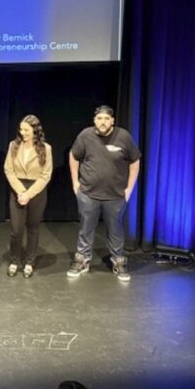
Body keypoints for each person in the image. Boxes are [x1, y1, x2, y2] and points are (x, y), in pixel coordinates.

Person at [67, 105, 141, 282]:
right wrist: (75, 183)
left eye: (106, 119)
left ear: (112, 121)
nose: (103, 122)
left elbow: (135, 161)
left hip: (115, 195)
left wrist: (130, 188)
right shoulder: (85, 135)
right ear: (94, 120)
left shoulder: (123, 136)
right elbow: (73, 156)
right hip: (88, 194)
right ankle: (82, 260)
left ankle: (118, 261)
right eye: (99, 118)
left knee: (115, 230)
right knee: (85, 229)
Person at [3, 115, 53, 278]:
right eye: (21, 129)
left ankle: (29, 262)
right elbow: (8, 170)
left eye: (26, 129)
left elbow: (45, 175)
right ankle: (14, 260)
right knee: (16, 230)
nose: (22, 132)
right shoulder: (13, 145)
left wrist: (29, 194)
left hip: (36, 190)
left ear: (34, 130)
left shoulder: (46, 148)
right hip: (18, 188)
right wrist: (20, 192)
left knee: (33, 227)